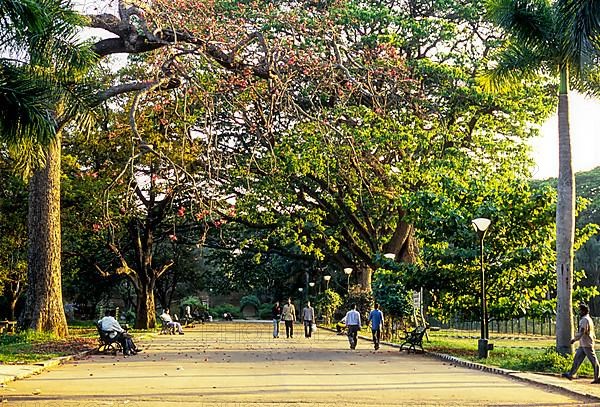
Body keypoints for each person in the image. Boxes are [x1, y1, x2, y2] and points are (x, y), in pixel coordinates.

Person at [563, 303, 600, 383]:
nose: (579, 312)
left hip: (587, 344)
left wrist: (574, 339)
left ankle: (597, 377)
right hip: (583, 343)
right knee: (577, 359)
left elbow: (582, 332)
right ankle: (571, 374)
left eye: (580, 310)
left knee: (594, 361)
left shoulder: (584, 320)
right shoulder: (588, 319)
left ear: (583, 311)